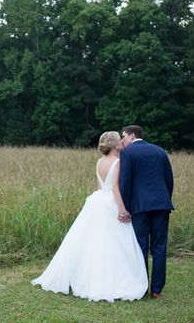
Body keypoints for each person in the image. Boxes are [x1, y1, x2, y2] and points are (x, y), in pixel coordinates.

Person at [31, 131, 148, 302]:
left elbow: (101, 186)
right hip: (111, 202)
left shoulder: (99, 161)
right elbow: (115, 188)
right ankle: (113, 280)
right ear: (116, 145)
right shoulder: (118, 162)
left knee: (94, 240)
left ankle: (89, 276)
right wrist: (123, 210)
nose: (123, 143)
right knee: (113, 241)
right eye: (120, 141)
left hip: (97, 200)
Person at [118, 125, 174, 299]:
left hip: (140, 207)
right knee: (159, 246)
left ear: (133, 136)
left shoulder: (127, 153)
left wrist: (125, 207)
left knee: (140, 246)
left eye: (123, 137)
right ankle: (157, 290)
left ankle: (141, 288)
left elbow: (125, 182)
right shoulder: (160, 151)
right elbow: (169, 179)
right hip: (162, 205)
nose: (121, 141)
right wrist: (164, 199)